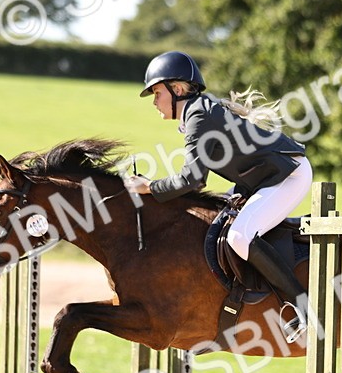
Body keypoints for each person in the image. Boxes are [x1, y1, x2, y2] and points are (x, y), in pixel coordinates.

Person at [125, 51, 312, 343]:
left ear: (177, 89)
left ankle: (302, 307)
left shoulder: (198, 114)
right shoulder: (195, 114)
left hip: (287, 175)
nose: (154, 101)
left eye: (157, 93)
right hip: (259, 179)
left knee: (239, 236)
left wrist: (149, 187)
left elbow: (193, 179)